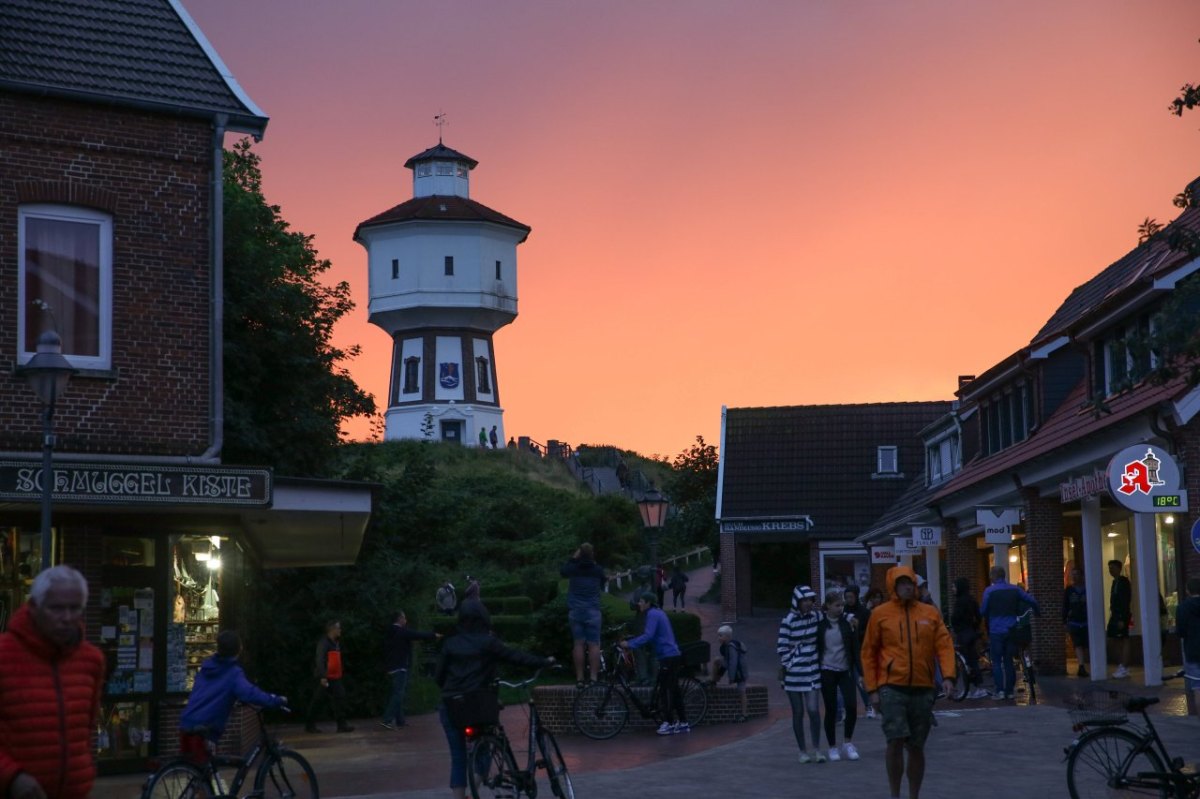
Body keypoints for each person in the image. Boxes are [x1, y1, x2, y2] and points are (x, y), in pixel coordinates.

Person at [0, 565, 105, 799]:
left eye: (74, 608)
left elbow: (85, 729)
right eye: (57, 608)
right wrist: (12, 777)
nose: (66, 618)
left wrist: (82, 773)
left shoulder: (91, 661)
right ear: (35, 607)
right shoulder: (4, 656)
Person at [436, 598, 554, 799]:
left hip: (452, 705)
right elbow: (516, 657)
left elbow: (439, 677)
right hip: (479, 705)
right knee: (485, 750)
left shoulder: (450, 643)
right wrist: (544, 661)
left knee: (458, 757)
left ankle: (459, 796)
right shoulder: (488, 642)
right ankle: (476, 787)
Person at [861, 565, 956, 799]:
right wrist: (872, 690)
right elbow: (868, 653)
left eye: (909, 583)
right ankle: (895, 794)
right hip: (892, 687)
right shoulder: (880, 614)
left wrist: (948, 676)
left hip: (923, 688)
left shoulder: (929, 613)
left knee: (916, 745)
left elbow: (943, 645)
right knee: (894, 740)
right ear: (893, 586)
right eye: (901, 583)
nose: (906, 586)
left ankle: (914, 795)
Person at [180, 630, 286, 758]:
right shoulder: (233, 673)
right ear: (238, 650)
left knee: (195, 770)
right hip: (204, 728)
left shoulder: (206, 668)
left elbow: (211, 692)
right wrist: (275, 700)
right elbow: (250, 693)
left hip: (187, 722)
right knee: (203, 770)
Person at [620, 592, 689, 734]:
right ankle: (683, 722)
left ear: (648, 603)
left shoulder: (652, 614)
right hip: (671, 655)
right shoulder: (658, 613)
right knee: (673, 690)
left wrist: (630, 644)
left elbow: (648, 635)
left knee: (665, 691)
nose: (639, 604)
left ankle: (668, 723)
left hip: (667, 656)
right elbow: (652, 635)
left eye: (641, 601)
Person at [777, 584, 823, 763]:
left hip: (812, 671)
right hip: (794, 674)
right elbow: (781, 646)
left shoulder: (816, 616)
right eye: (804, 600)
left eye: (810, 600)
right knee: (798, 712)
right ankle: (802, 751)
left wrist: (850, 617)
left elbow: (835, 617)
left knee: (813, 710)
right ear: (797, 601)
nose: (808, 603)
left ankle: (817, 749)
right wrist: (790, 663)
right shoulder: (788, 620)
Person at [980, 566, 1041, 700]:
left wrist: (986, 615)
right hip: (1011, 629)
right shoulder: (1015, 589)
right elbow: (1031, 600)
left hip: (996, 630)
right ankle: (1010, 691)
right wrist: (1037, 611)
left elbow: (983, 610)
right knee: (1009, 660)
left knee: (996, 661)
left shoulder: (989, 591)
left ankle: (1000, 691)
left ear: (994, 576)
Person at [816, 591, 861, 762]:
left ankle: (848, 742)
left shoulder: (847, 623)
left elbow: (855, 649)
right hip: (827, 670)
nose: (840, 608)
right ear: (828, 606)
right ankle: (832, 746)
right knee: (831, 709)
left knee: (851, 705)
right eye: (837, 605)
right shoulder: (819, 624)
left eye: (842, 605)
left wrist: (860, 672)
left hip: (844, 670)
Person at [381, 611, 440, 730]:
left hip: (392, 667)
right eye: (404, 618)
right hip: (400, 667)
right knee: (398, 694)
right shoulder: (402, 632)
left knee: (398, 694)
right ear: (400, 619)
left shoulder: (390, 632)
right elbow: (418, 634)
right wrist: (433, 635)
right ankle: (387, 719)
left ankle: (400, 720)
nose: (406, 620)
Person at [560, 543, 606, 686]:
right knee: (594, 645)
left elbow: (563, 571)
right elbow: (603, 583)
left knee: (578, 644)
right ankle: (593, 678)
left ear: (580, 553)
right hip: (593, 611)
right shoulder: (598, 570)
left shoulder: (573, 569)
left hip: (576, 611)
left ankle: (580, 678)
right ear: (592, 554)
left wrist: (574, 558)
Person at [305, 619, 354, 733]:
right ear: (332, 629)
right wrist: (323, 676)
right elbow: (320, 659)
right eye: (338, 628)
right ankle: (309, 725)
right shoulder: (324, 643)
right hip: (325, 677)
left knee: (340, 696)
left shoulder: (335, 642)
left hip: (334, 676)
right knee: (318, 700)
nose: (340, 630)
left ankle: (341, 725)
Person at [950, 578, 989, 700]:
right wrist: (974, 627)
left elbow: (955, 618)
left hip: (963, 634)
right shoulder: (972, 600)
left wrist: (955, 627)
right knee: (972, 659)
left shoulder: (959, 602)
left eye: (954, 587)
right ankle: (976, 686)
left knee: (968, 660)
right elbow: (978, 617)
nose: (953, 589)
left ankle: (977, 687)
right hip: (971, 633)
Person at [842, 584, 876, 718]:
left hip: (860, 649)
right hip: (846, 651)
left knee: (860, 679)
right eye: (846, 597)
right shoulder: (843, 611)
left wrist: (856, 632)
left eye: (851, 597)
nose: (849, 599)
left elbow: (869, 630)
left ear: (856, 596)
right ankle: (847, 708)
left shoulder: (864, 612)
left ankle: (868, 705)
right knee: (846, 682)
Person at [709, 624, 749, 721]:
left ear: (727, 637)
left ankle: (744, 714)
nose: (719, 638)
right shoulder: (725, 646)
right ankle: (714, 680)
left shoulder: (731, 647)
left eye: (721, 636)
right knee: (717, 660)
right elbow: (727, 662)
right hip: (737, 669)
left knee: (742, 691)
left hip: (740, 672)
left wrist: (731, 678)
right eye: (718, 635)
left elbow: (733, 662)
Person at [1176, 577, 1200, 713]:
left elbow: (1181, 632)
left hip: (1192, 651)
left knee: (1198, 689)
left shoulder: (1182, 608)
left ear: (1188, 591)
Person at [1108, 560, 1133, 679]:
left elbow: (1125, 600)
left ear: (1118, 568)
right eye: (1109, 568)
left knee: (1122, 639)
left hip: (1120, 615)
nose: (1110, 570)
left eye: (1112, 568)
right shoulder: (1115, 582)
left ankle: (1124, 665)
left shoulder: (1123, 582)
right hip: (1116, 614)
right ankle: (1123, 665)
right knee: (1115, 640)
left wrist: (1122, 617)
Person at [1063, 568, 1090, 677]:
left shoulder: (1087, 589)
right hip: (1074, 621)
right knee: (1078, 644)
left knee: (1085, 644)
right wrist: (1064, 620)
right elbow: (1065, 606)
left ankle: (1086, 664)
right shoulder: (1069, 590)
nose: (1074, 577)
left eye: (1076, 574)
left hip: (1086, 621)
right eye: (1072, 575)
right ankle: (1081, 666)